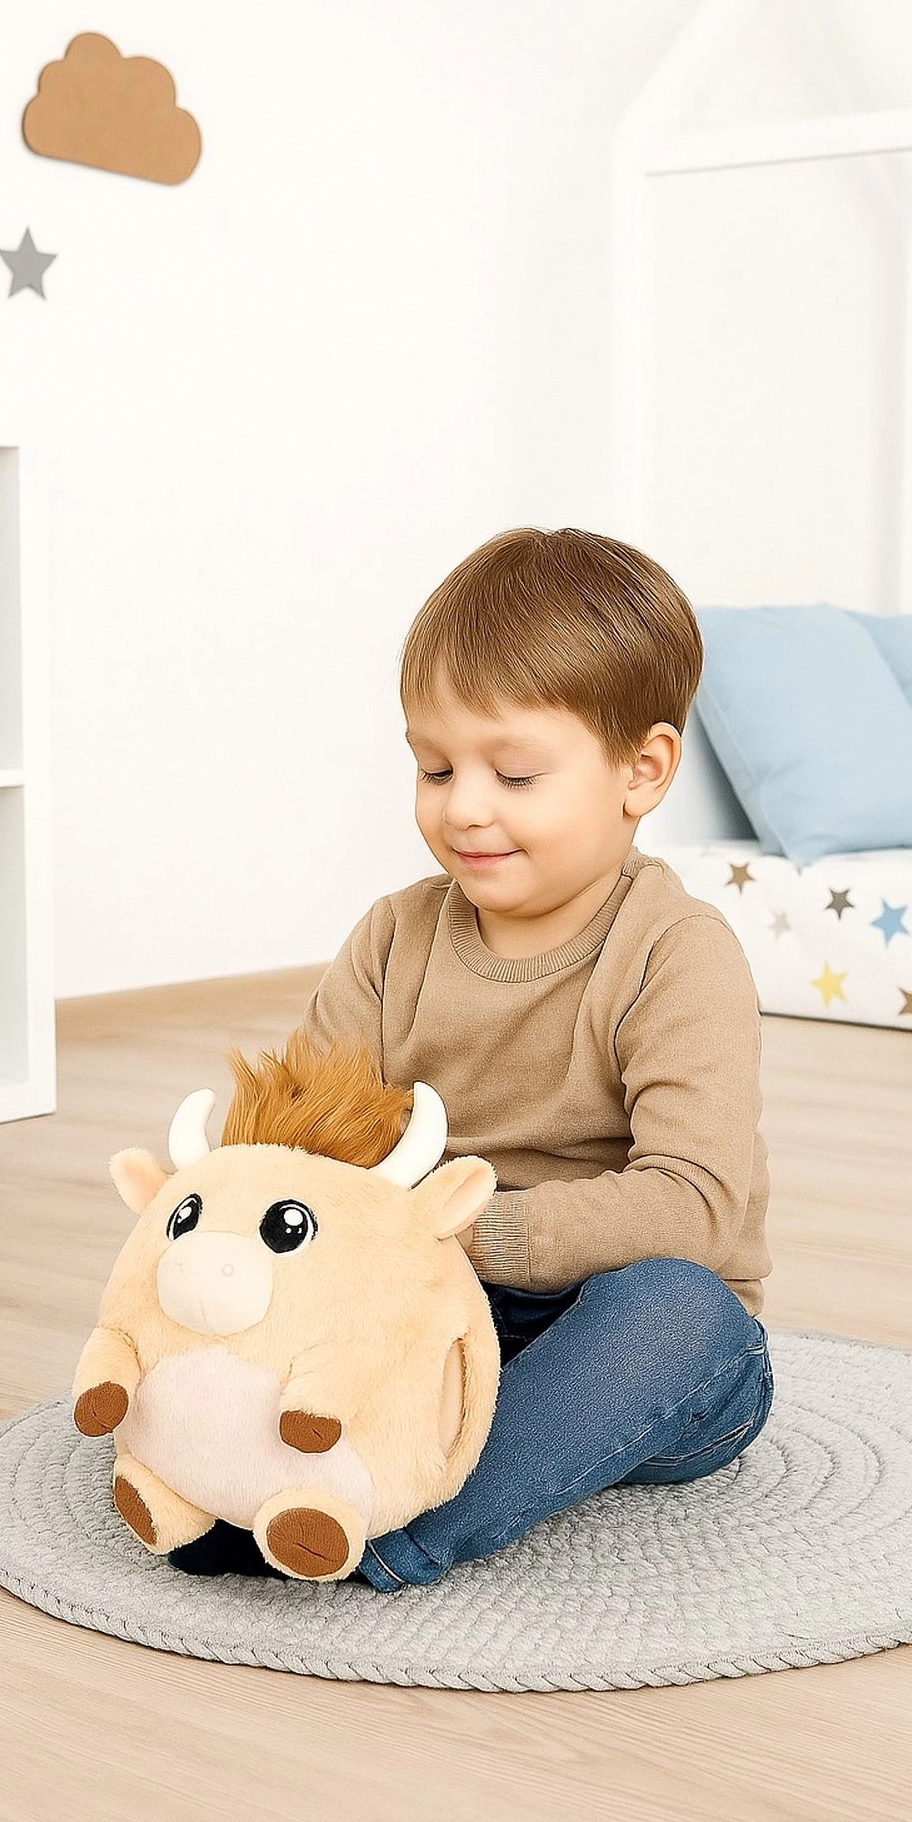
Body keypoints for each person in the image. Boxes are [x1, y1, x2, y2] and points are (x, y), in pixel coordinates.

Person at [170, 525, 774, 1591]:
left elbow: (698, 1205)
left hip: (619, 1330)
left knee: (681, 1316)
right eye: (435, 767)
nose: (463, 807)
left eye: (515, 773)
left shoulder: (676, 952)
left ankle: (387, 1529)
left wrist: (469, 1233)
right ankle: (255, 1472)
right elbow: (303, 1140)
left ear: (641, 771)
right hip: (437, 1308)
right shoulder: (393, 937)